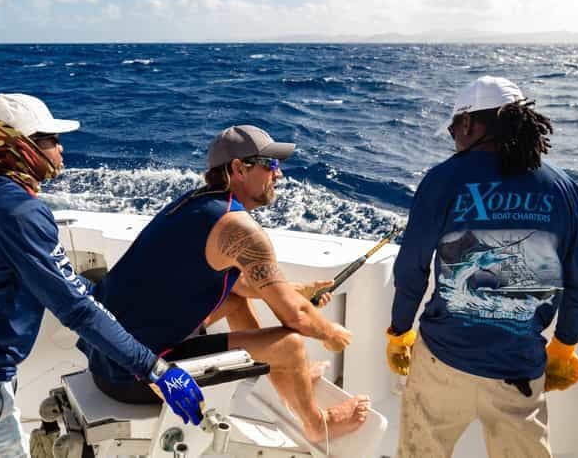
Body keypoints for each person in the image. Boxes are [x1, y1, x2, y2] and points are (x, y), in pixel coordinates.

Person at [0, 93, 204, 458]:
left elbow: (63, 284)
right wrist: (154, 368)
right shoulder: (19, 211)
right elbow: (75, 309)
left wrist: (121, 302)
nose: (60, 150)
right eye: (50, 141)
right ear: (21, 148)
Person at [78, 124, 371, 444]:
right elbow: (296, 317)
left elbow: (239, 284)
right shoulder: (240, 229)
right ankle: (318, 424)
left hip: (107, 356)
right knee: (292, 344)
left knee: (233, 302)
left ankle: (281, 373)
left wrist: (299, 290)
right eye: (270, 165)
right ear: (237, 169)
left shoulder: (198, 204)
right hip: (139, 377)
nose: (279, 174)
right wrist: (332, 335)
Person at [386, 76, 578, 458]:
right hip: (519, 370)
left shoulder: (442, 179)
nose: (454, 138)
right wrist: (564, 346)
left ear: (468, 123)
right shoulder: (566, 190)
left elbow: (411, 269)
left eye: (454, 129)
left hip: (441, 362)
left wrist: (399, 330)